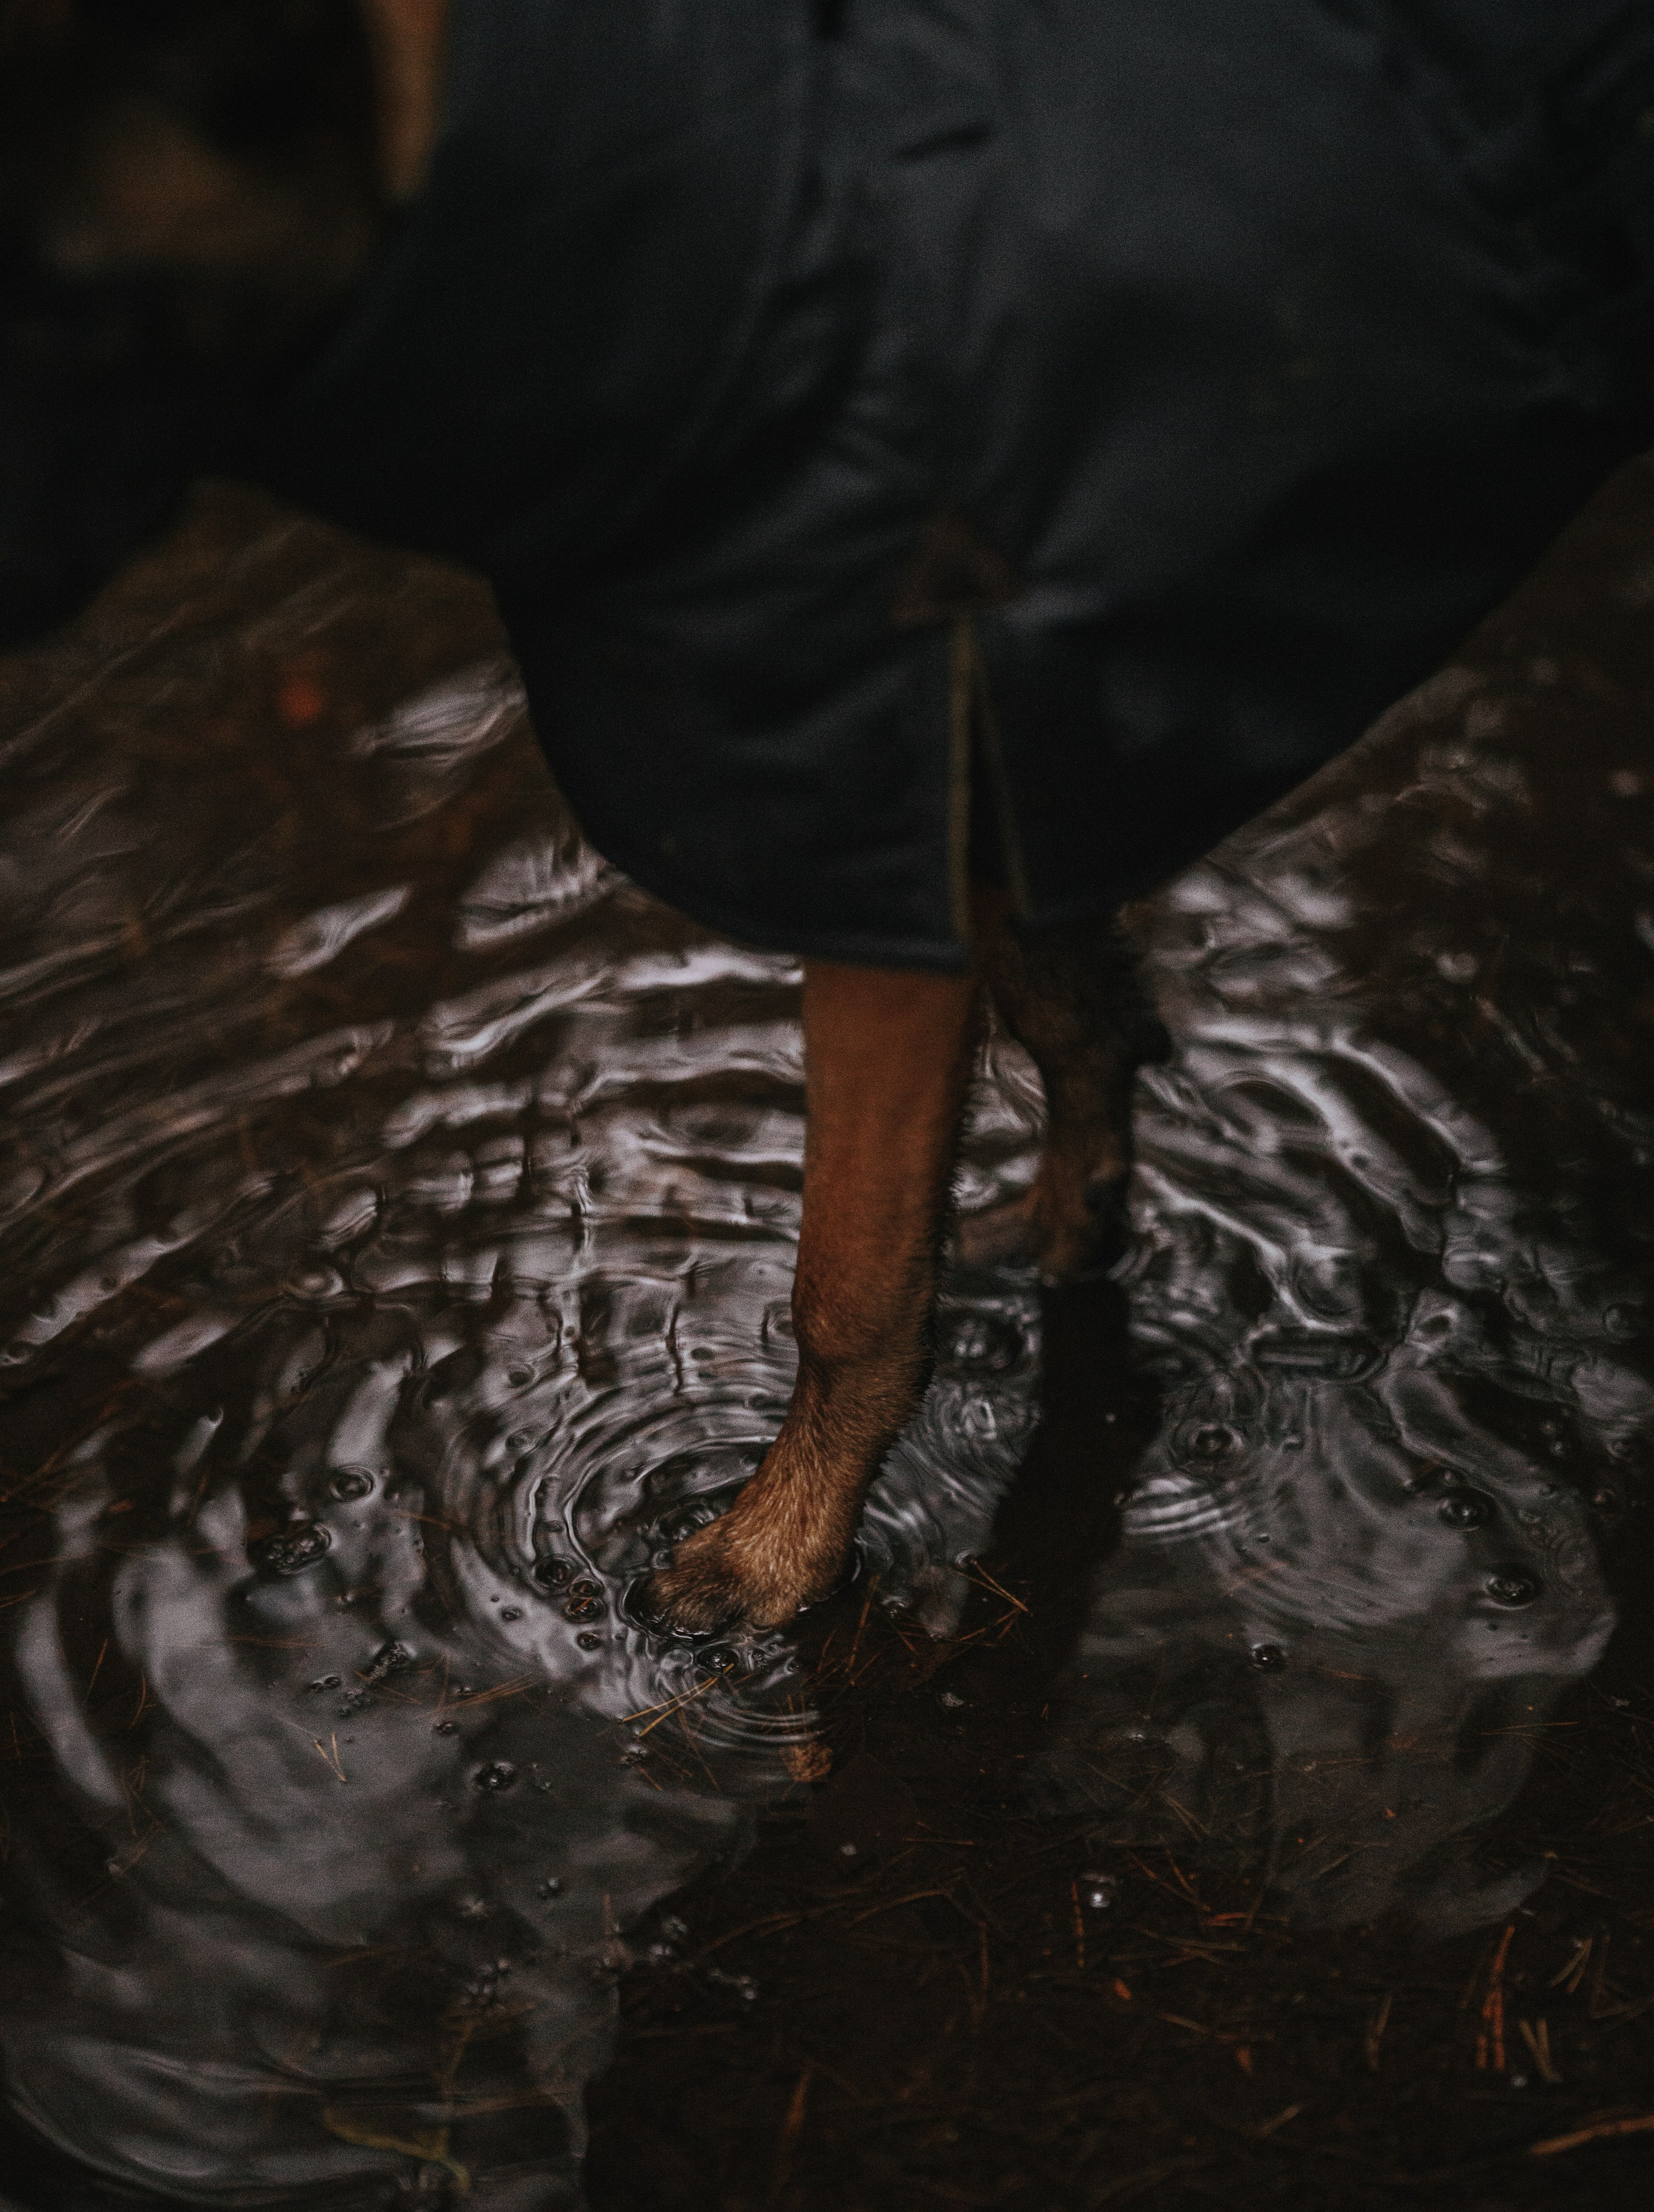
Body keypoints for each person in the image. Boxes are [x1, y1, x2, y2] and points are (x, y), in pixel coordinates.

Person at [1, 0, 1651, 1629]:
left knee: (895, 790)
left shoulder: (751, 347)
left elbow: (887, 893)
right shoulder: (588, 265)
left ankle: (846, 1423)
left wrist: (836, 1409)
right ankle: (1090, 1119)